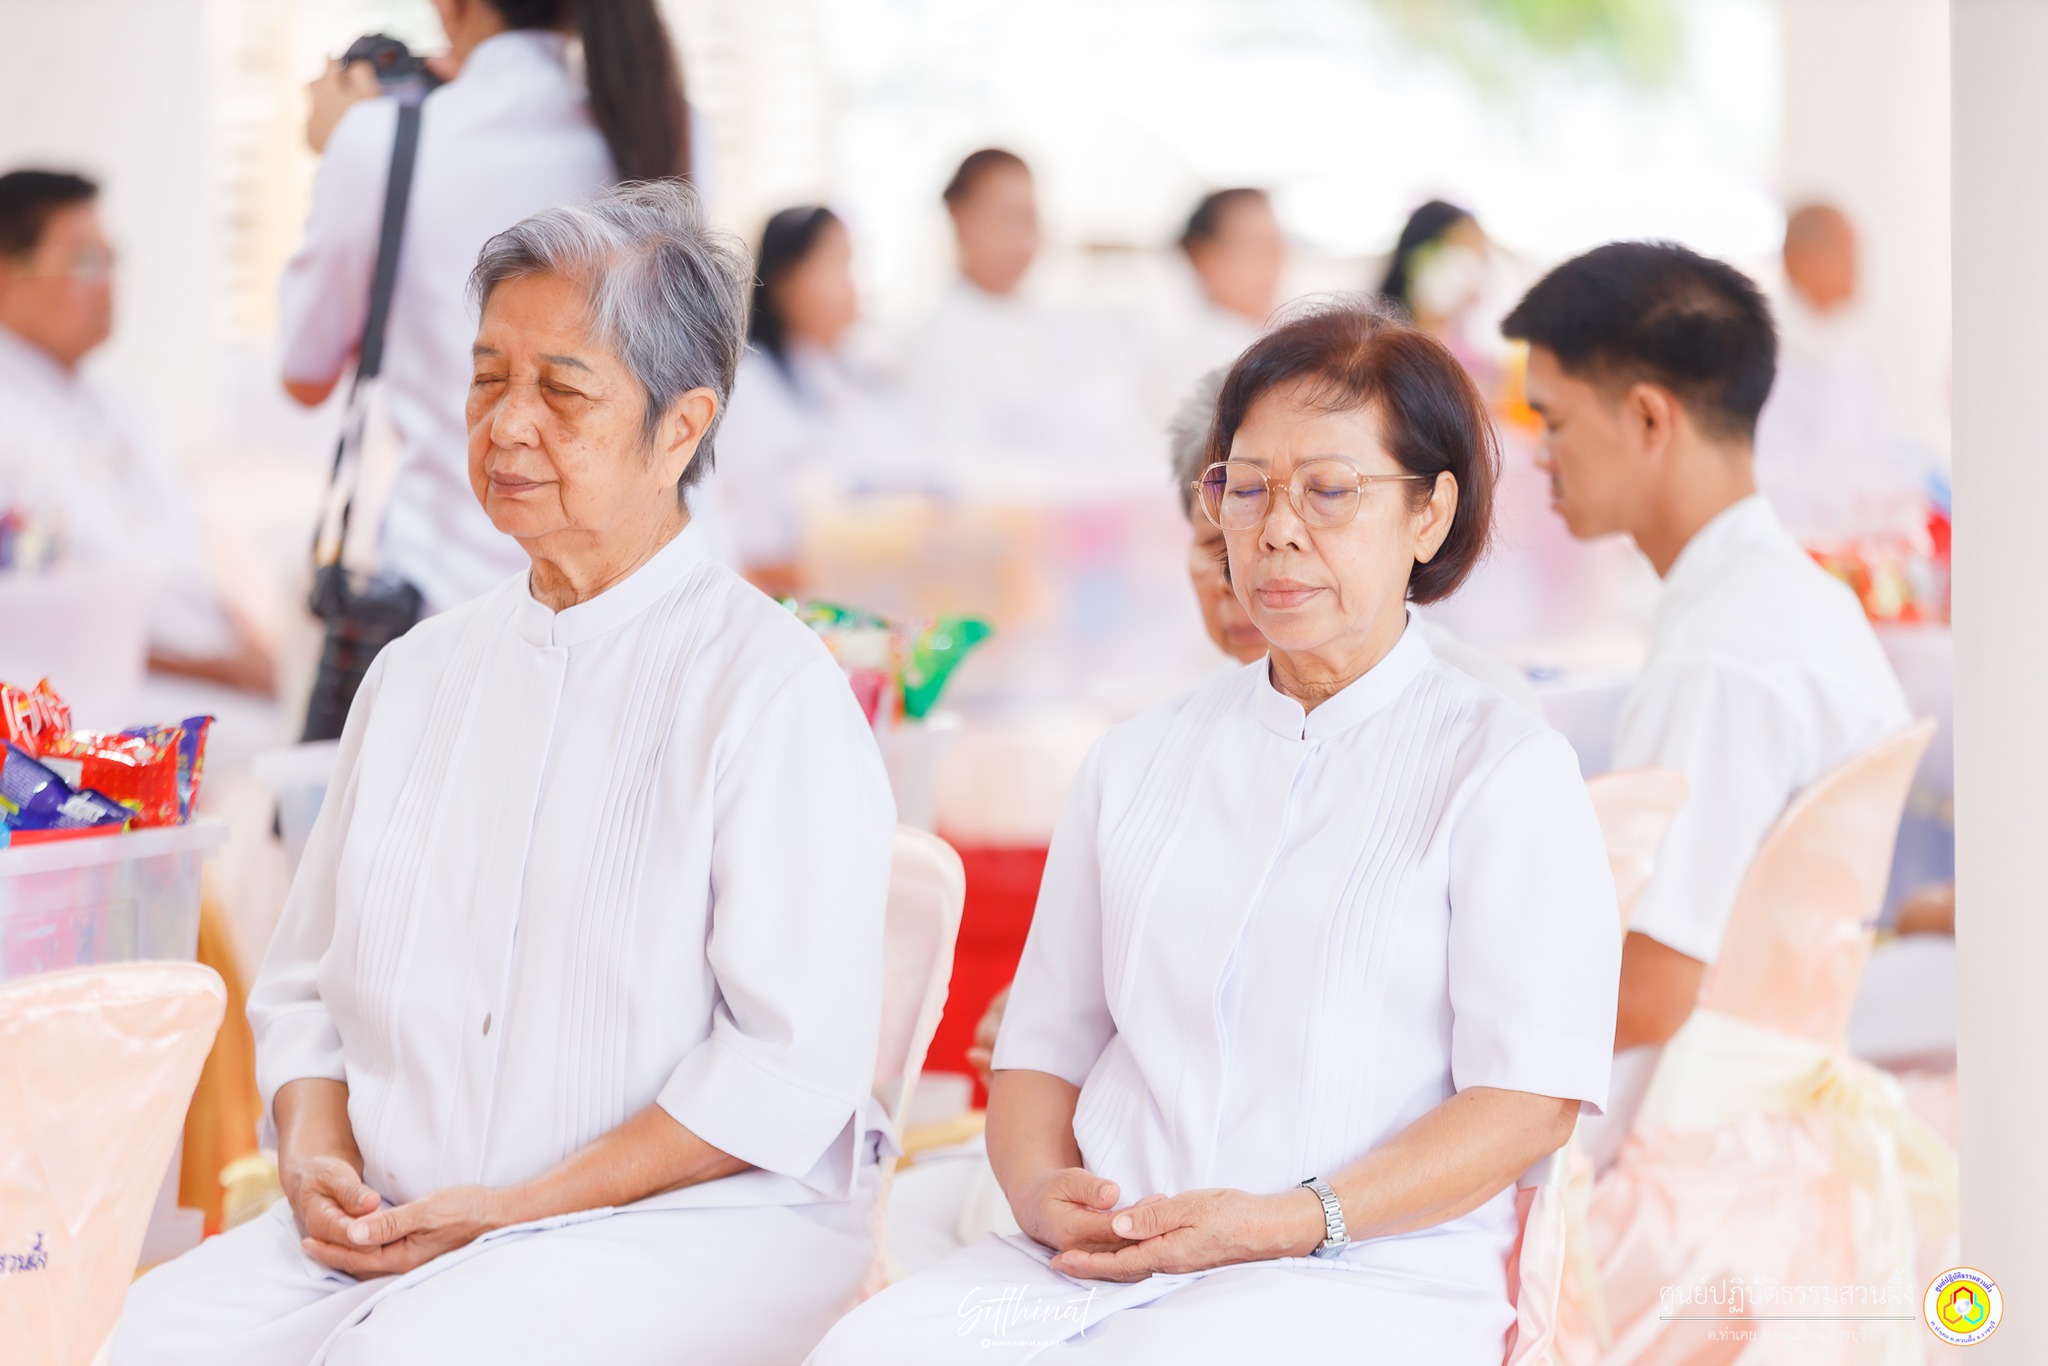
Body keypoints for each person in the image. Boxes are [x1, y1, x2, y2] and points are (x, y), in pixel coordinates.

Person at [113, 183, 894, 1366]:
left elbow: (788, 1065)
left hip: (683, 1223)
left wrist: (523, 1208)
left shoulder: (766, 685)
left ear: (681, 426)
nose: (507, 424)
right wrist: (318, 1158)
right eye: (488, 377)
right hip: (399, 1213)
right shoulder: (418, 672)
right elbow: (305, 991)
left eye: (562, 389)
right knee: (118, 1337)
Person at [813, 299, 1621, 1363]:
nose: (1276, 528)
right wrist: (1042, 1193)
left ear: (1427, 514)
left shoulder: (1503, 769)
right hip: (1095, 1264)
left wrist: (1285, 1219)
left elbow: (1525, 1104)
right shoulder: (1137, 758)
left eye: (1329, 490)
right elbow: (1041, 1047)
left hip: (1356, 1275)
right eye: (1246, 487)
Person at [1502, 240, 1913, 1168]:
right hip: (1767, 1117)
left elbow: (1654, 989)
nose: (1542, 458)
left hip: (1692, 1155)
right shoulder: (1787, 596)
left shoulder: (1722, 656)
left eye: (1556, 423)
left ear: (1650, 419)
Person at [281, 0, 709, 620]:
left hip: (452, 595)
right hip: (650, 594)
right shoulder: (669, 122)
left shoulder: (380, 141)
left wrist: (342, 146)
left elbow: (305, 372)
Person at [0, 169, 274, 693]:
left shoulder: (114, 405)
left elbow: (197, 535)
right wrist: (219, 669)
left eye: (110, 261)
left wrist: (251, 641)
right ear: (9, 273)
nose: (106, 283)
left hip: (214, 672)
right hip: (93, 702)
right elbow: (28, 624)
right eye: (83, 262)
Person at [899, 148, 1148, 479]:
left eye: (1031, 219)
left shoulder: (1063, 323)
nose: (1023, 238)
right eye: (1007, 218)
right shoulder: (937, 342)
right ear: (960, 219)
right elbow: (958, 464)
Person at [707, 205, 893, 597]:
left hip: (861, 594)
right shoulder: (747, 391)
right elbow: (753, 546)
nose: (853, 285)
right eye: (837, 264)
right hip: (793, 606)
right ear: (784, 280)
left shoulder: (856, 377)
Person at [1752, 202, 1934, 548]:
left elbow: (1877, 456)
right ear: (1801, 260)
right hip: (1786, 550)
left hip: (1855, 555)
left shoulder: (1855, 360)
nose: (1857, 271)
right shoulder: (1764, 355)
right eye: (1847, 256)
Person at [1146, 189, 1286, 415]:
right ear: (1203, 255)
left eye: (1278, 248)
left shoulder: (1271, 335)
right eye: (1258, 247)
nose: (1275, 265)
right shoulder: (1189, 366)